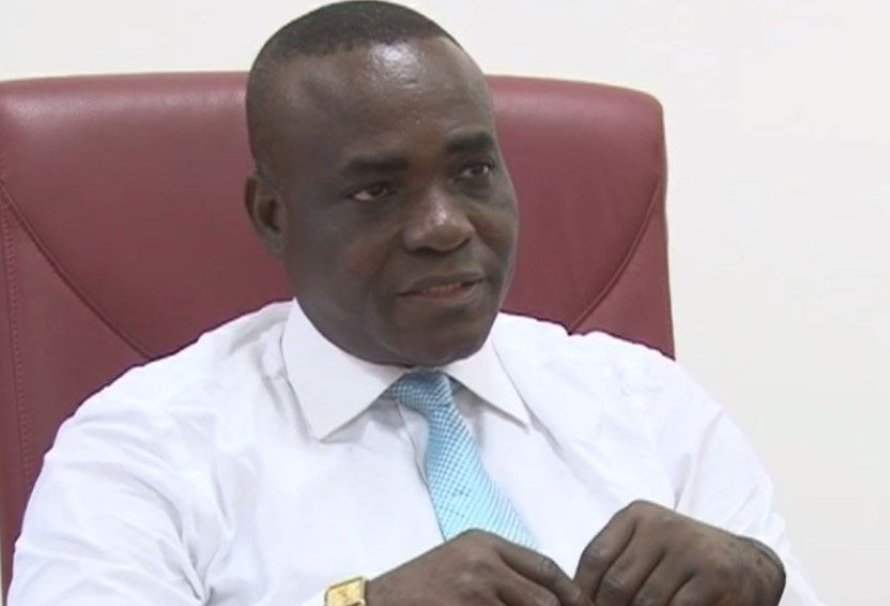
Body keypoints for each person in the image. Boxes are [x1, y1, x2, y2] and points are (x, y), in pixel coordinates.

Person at [9, 2, 825, 606]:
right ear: (273, 216)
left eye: (473, 173)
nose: (444, 226)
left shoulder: (648, 407)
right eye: (376, 190)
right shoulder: (142, 449)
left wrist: (761, 582)